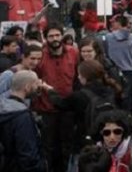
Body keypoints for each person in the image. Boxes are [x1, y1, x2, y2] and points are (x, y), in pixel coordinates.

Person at [34, 22, 79, 172]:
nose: (55, 38)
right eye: (51, 36)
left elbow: (78, 77)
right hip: (47, 108)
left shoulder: (73, 52)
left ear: (62, 35)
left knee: (67, 145)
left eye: (57, 35)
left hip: (68, 108)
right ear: (46, 38)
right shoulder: (40, 55)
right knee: (49, 147)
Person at [0, 70, 47, 172]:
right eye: (35, 84)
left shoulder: (4, 108)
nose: (38, 87)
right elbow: (28, 153)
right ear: (27, 87)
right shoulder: (22, 116)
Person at [105, 15, 132, 109]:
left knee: (114, 93)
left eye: (113, 22)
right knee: (127, 95)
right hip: (130, 69)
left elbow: (105, 52)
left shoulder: (108, 37)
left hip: (113, 70)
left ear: (119, 24)